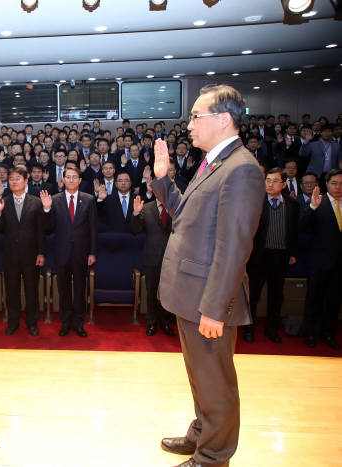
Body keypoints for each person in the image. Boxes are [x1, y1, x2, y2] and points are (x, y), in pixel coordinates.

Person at [151, 84, 264, 467]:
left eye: (196, 116)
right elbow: (186, 216)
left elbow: (234, 247)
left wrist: (215, 308)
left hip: (208, 301)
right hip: (191, 294)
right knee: (200, 377)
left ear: (223, 119)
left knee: (216, 384)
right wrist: (164, 179)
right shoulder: (216, 161)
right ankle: (201, 435)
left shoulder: (242, 168)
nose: (190, 125)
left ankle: (213, 457)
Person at [0, 166, 50, 336]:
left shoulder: (36, 201)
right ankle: (13, 322)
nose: (14, 181)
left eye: (18, 178)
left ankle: (32, 323)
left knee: (32, 291)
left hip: (31, 255)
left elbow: (42, 230)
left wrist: (41, 252)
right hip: (10, 255)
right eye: (11, 179)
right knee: (11, 291)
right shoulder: (4, 202)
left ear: (26, 180)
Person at [244, 167, 298, 344]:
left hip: (280, 256)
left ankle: (271, 329)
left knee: (276, 296)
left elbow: (295, 232)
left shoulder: (292, 204)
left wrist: (292, 253)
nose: (270, 184)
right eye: (268, 180)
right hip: (259, 255)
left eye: (275, 181)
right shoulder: (256, 202)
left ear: (283, 184)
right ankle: (248, 329)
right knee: (253, 295)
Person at [45, 165, 98, 338]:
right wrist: (46, 210)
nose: (71, 180)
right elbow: (49, 227)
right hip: (62, 252)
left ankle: (78, 323)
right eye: (68, 177)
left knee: (80, 289)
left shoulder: (89, 200)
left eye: (75, 177)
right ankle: (65, 322)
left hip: (82, 253)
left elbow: (93, 229)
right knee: (64, 289)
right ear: (63, 180)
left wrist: (92, 252)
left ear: (80, 180)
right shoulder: (55, 199)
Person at [299, 168, 342, 349]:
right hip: (319, 262)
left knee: (334, 301)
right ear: (326, 184)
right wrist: (312, 207)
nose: (338, 187)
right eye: (334, 183)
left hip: (339, 264)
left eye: (341, 183)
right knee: (314, 299)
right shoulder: (318, 202)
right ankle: (310, 333)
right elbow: (301, 226)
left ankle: (328, 333)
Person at [129, 195, 175, 337]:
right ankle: (152, 322)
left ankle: (166, 322)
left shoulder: (175, 206)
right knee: (151, 290)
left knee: (168, 292)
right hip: (152, 255)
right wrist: (136, 213)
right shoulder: (147, 208)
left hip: (172, 255)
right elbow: (135, 230)